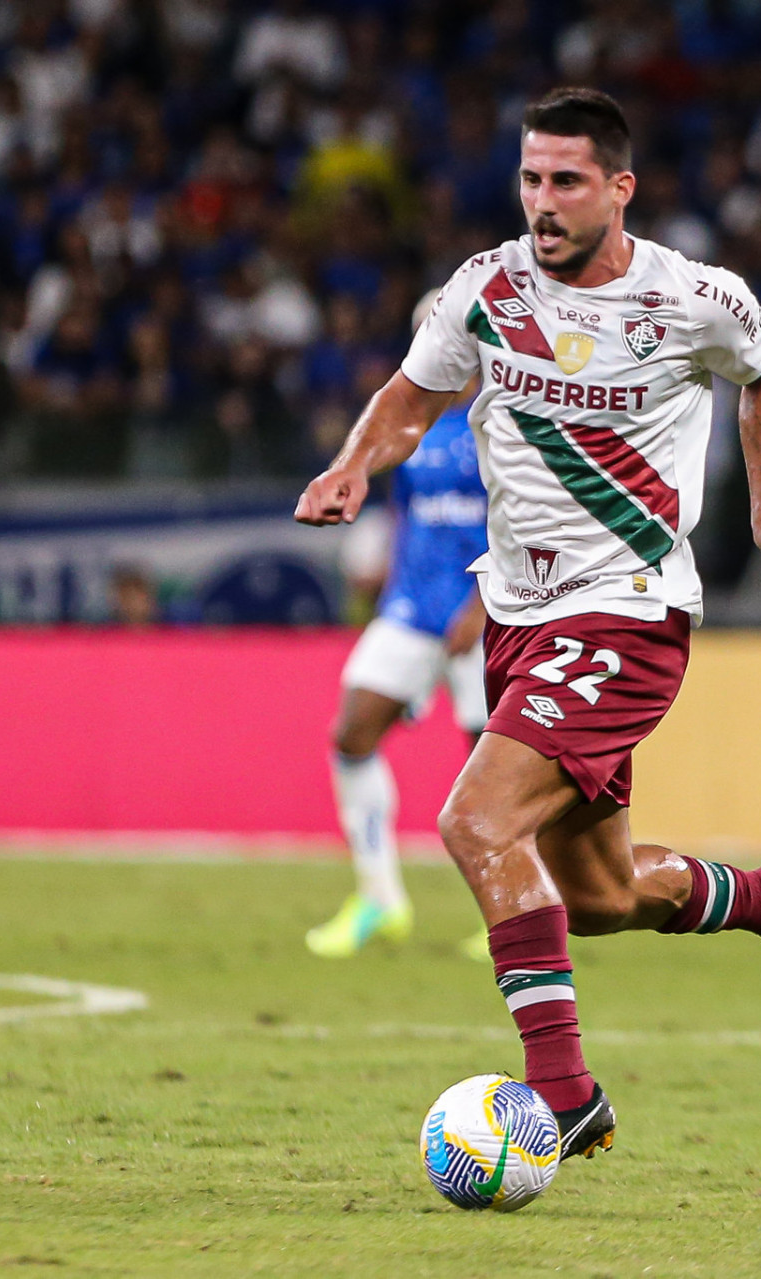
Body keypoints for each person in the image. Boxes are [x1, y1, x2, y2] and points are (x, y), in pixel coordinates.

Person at [296, 88, 761, 1160]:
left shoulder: (690, 298)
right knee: (593, 894)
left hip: (627, 613)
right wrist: (355, 463)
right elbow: (412, 393)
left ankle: (568, 1094)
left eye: (567, 182)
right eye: (530, 180)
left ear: (619, 189)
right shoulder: (485, 291)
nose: (542, 203)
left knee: (474, 822)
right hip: (517, 615)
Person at [305, 289, 492, 961]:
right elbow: (409, 519)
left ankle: (513, 911)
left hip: (485, 618)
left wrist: (485, 606)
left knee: (495, 773)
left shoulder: (505, 422)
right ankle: (380, 897)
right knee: (351, 731)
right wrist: (381, 584)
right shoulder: (408, 426)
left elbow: (529, 526)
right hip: (411, 611)